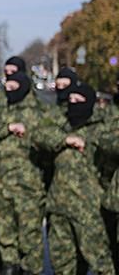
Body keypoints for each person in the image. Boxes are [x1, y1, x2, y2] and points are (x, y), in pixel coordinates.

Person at [33, 82, 115, 275]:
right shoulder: (62, 125)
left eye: (79, 101)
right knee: (62, 263)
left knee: (101, 261)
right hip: (58, 207)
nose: (73, 104)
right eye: (71, 100)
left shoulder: (100, 128)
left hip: (89, 211)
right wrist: (65, 140)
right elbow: (38, 134)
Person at [0, 71, 45, 275]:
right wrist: (8, 127)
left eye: (13, 88)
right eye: (6, 88)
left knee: (29, 231)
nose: (9, 92)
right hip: (2, 179)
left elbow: (48, 139)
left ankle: (31, 268)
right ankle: (10, 264)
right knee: (4, 227)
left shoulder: (38, 111)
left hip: (28, 181)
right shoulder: (3, 109)